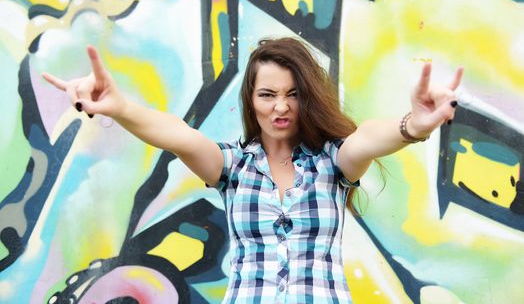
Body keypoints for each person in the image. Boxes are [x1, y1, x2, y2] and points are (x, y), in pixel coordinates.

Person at [42, 37, 463, 303]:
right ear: (252, 100)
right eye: (268, 94)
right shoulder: (233, 167)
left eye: (293, 94)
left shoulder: (333, 162)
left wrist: (413, 126)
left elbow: (368, 137)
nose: (280, 106)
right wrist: (122, 108)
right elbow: (178, 135)